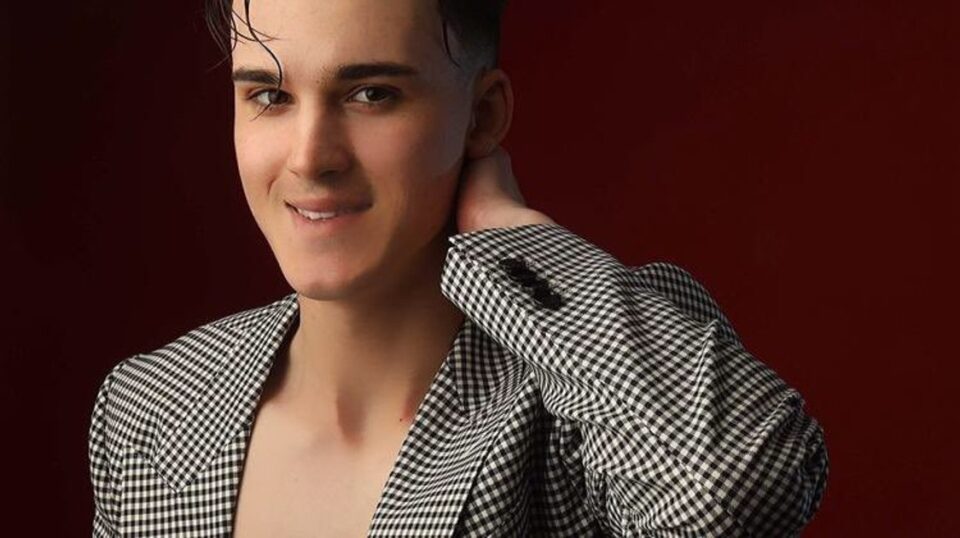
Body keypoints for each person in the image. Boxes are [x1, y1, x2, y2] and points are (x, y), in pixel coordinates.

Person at [87, 0, 829, 536]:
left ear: (483, 116)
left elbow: (737, 492)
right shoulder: (150, 408)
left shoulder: (580, 390)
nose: (310, 158)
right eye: (269, 95)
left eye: (372, 94)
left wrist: (513, 236)